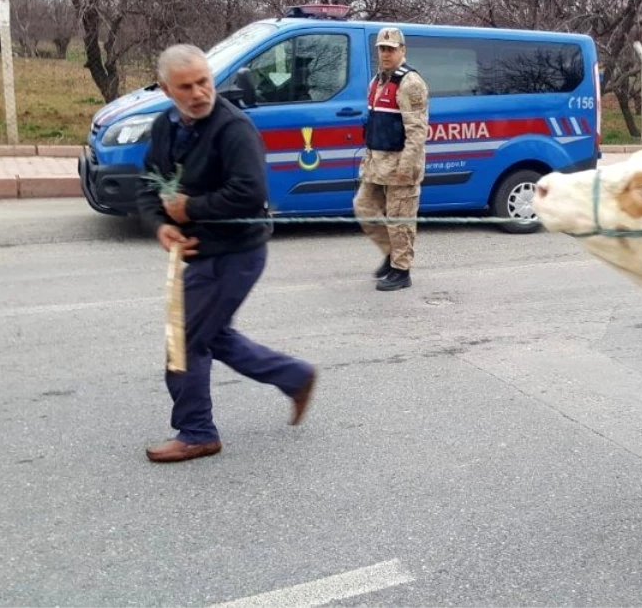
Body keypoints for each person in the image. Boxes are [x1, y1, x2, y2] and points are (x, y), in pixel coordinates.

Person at [136, 44, 317, 463]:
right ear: (166, 90)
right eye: (187, 86)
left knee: (185, 341)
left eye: (204, 81)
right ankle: (294, 376)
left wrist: (190, 209)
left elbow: (250, 192)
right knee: (211, 334)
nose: (199, 92)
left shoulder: (233, 128)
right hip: (199, 252)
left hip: (235, 253)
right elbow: (149, 181)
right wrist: (161, 225)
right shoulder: (165, 126)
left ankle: (197, 432)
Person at [354, 27, 430, 291]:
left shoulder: (410, 83)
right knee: (363, 207)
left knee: (400, 219)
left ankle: (401, 271)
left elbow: (417, 131)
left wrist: (407, 167)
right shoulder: (378, 81)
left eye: (391, 48)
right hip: (377, 163)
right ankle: (391, 253)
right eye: (382, 49)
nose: (385, 53)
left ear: (402, 50)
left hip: (399, 164)